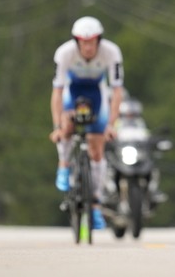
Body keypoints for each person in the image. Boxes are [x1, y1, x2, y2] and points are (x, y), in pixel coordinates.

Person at [49, 16, 124, 230]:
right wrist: (57, 127)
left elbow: (117, 91)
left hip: (97, 93)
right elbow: (57, 92)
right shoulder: (64, 53)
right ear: (77, 42)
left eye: (92, 42)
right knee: (66, 126)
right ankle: (63, 164)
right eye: (83, 42)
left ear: (99, 41)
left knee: (97, 149)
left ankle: (96, 205)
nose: (88, 47)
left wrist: (111, 124)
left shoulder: (112, 52)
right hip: (73, 91)